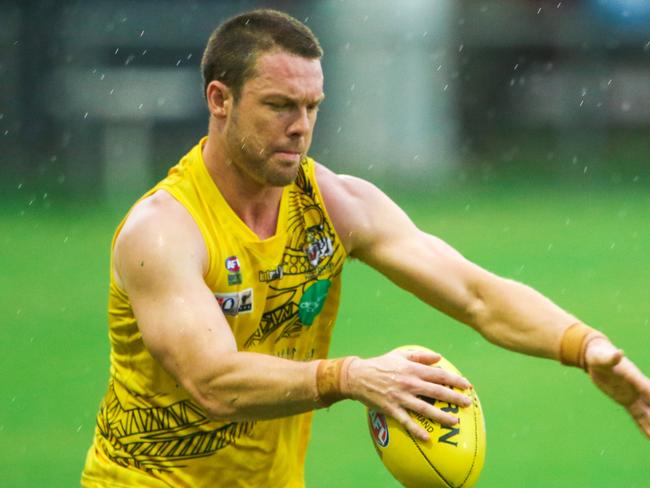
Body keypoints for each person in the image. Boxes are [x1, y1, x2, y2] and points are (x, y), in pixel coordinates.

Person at [81, 8, 650, 487]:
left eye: (312, 107)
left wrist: (586, 346)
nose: (300, 127)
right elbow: (213, 380)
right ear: (219, 99)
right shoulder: (163, 231)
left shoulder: (334, 204)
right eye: (279, 106)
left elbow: (476, 294)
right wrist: (349, 376)